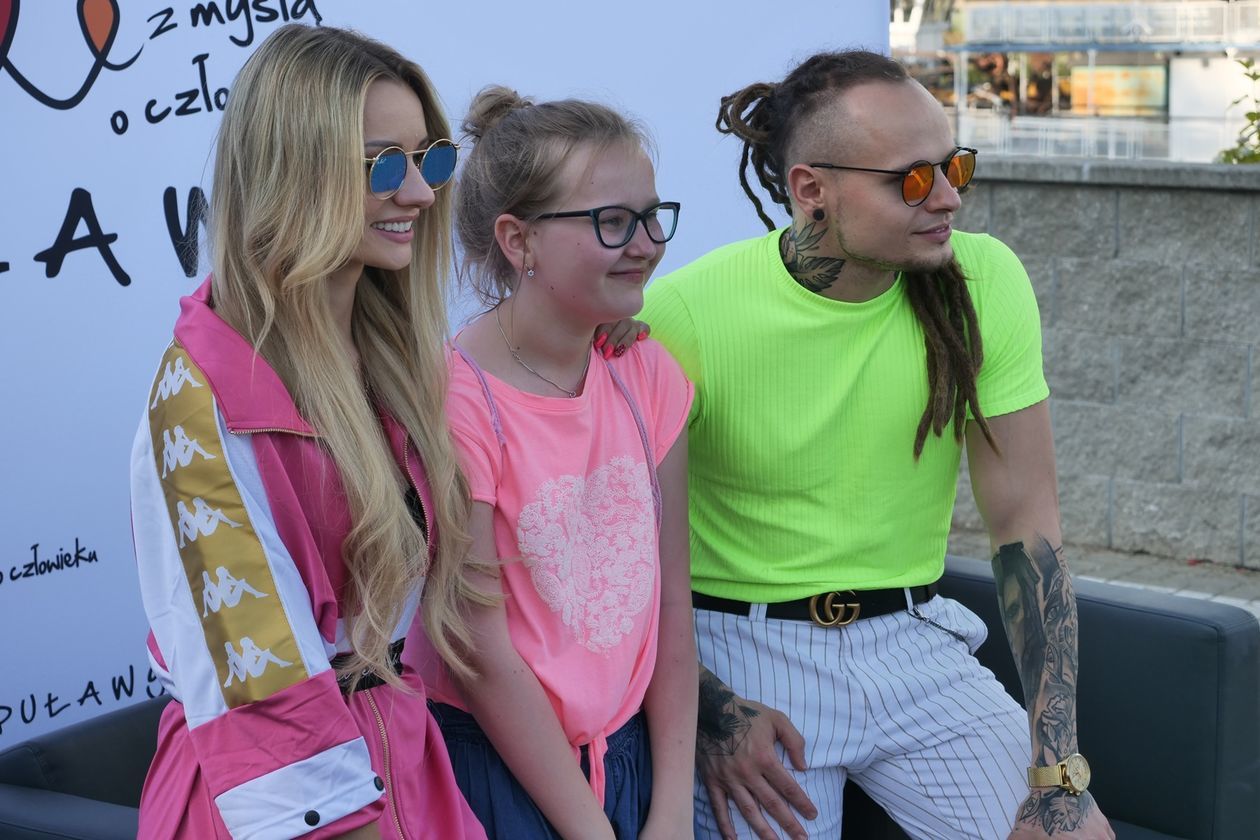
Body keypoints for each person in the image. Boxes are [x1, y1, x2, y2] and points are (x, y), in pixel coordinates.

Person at [639, 50, 1115, 840]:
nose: (950, 197)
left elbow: (1026, 529)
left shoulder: (982, 281)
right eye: (914, 180)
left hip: (916, 641)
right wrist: (709, 711)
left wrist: (1057, 768)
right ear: (811, 190)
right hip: (741, 651)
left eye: (955, 166)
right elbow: (626, 553)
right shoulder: (686, 315)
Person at [129, 24, 487, 839]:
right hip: (285, 806)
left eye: (429, 159)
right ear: (295, 170)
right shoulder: (203, 398)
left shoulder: (396, 359)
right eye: (383, 166)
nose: (421, 195)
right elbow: (265, 693)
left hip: (402, 761)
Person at [406, 87, 697, 839]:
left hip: (630, 760)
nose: (646, 243)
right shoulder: (454, 401)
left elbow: (670, 603)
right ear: (519, 240)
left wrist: (671, 809)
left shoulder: (647, 374)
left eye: (653, 216)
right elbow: (477, 648)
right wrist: (590, 829)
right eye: (612, 222)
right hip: (493, 766)